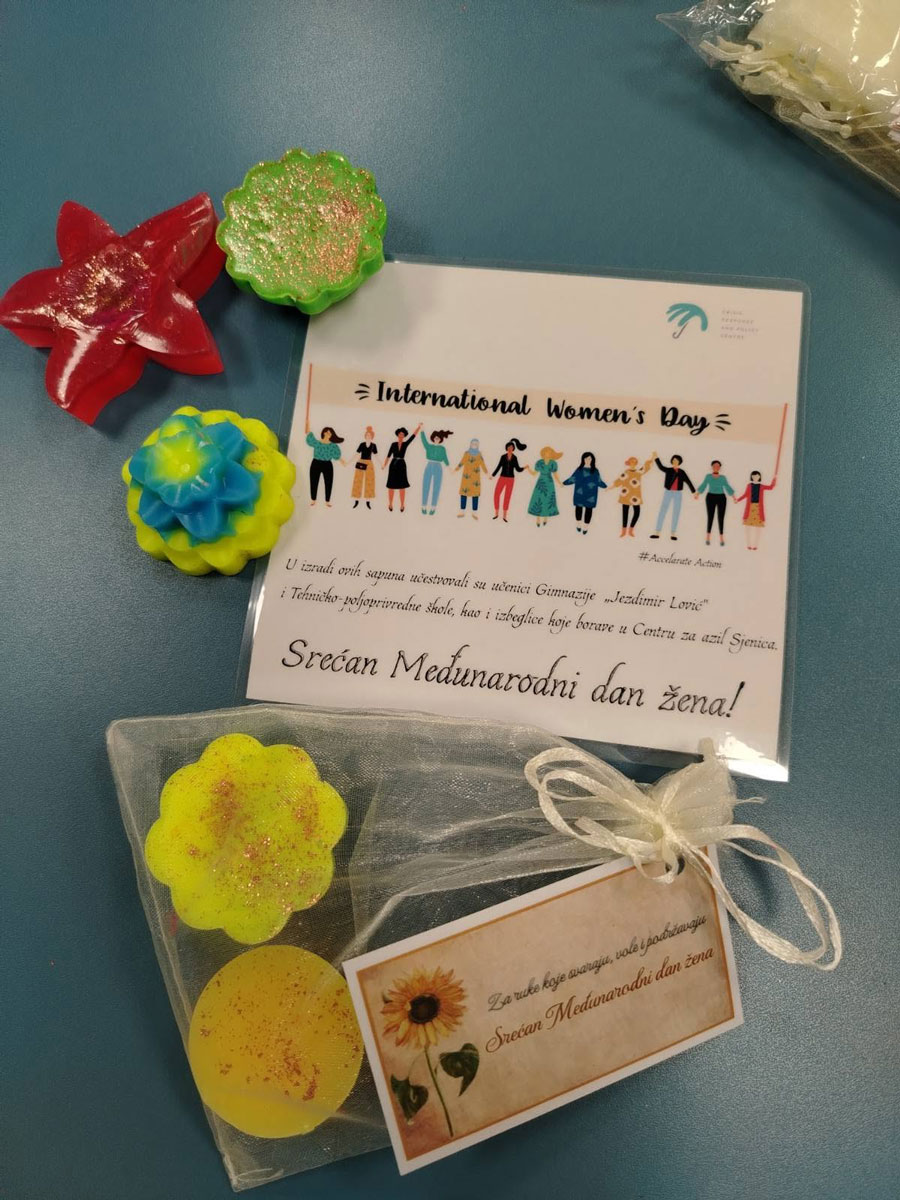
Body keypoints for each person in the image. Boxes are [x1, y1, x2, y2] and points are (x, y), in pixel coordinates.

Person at [650, 454, 695, 540]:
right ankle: (657, 532)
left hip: (678, 493)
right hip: (668, 492)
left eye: (677, 461)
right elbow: (661, 467)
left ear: (679, 462)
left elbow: (688, 481)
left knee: (676, 512)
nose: (675, 462)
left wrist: (694, 492)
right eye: (674, 460)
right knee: (663, 510)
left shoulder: (682, 472)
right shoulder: (669, 470)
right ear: (671, 461)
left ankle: (673, 533)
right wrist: (656, 458)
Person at [563, 451, 606, 534]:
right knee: (578, 509)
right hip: (579, 493)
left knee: (589, 510)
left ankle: (585, 527)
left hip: (591, 494)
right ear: (583, 459)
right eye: (586, 458)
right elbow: (573, 478)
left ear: (592, 460)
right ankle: (578, 525)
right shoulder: (579, 470)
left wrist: (605, 486)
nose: (587, 460)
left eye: (589, 459)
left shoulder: (595, 471)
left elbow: (599, 481)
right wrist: (564, 483)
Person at [612, 453, 655, 537]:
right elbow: (619, 481)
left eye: (634, 462)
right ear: (629, 463)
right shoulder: (626, 472)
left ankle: (631, 529)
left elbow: (646, 467)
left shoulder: (638, 472)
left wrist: (652, 458)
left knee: (637, 513)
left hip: (635, 496)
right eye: (631, 462)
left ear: (636, 463)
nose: (633, 464)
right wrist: (611, 487)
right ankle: (624, 531)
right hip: (626, 495)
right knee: (625, 514)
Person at [383, 423, 422, 512]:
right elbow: (388, 455)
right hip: (393, 465)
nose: (401, 436)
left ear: (404, 436)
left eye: (403, 434)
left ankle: (402, 504)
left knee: (402, 486)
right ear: (397, 435)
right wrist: (385, 465)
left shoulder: (405, 444)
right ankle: (390, 503)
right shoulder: (393, 444)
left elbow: (413, 436)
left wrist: (418, 427)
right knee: (391, 485)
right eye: (400, 434)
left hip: (401, 465)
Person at [734, 470, 776, 550]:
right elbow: (745, 495)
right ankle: (748, 544)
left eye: (757, 476)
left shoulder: (761, 486)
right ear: (752, 477)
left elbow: (770, 487)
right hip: (750, 508)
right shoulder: (749, 486)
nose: (755, 477)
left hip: (758, 509)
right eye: (754, 476)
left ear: (759, 477)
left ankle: (755, 545)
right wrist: (738, 500)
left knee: (758, 528)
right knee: (748, 527)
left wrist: (774, 479)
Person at [696, 460, 735, 546]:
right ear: (712, 467)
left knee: (721, 517)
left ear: (720, 468)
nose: (716, 467)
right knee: (710, 517)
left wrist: (733, 497)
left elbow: (727, 487)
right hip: (710, 497)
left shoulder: (723, 478)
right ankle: (708, 537)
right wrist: (698, 493)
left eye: (718, 466)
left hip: (721, 497)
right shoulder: (708, 476)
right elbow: (704, 485)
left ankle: (721, 537)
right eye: (714, 466)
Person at [304, 425, 345, 507]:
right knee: (314, 481)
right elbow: (308, 435)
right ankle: (313, 499)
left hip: (327, 464)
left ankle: (327, 501)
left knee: (328, 482)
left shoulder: (332, 445)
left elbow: (337, 456)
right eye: (327, 432)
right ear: (324, 433)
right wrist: (307, 424)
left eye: (330, 433)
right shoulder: (317, 443)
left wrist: (343, 461)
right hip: (316, 463)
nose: (328, 434)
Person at [491, 438, 527, 522]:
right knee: (496, 494)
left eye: (511, 447)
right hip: (502, 477)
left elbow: (517, 469)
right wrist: (493, 475)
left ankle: (504, 515)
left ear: (513, 448)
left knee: (507, 496)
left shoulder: (515, 458)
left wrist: (524, 468)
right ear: (506, 448)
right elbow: (499, 466)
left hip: (511, 479)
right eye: (509, 447)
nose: (510, 448)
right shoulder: (503, 457)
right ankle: (496, 513)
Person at [527, 446, 563, 527]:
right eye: (546, 452)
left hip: (549, 483)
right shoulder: (539, 462)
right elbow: (534, 473)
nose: (548, 454)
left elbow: (555, 474)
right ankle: (538, 518)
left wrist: (559, 482)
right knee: (538, 499)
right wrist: (528, 469)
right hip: (541, 483)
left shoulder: (553, 463)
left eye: (549, 452)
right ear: (543, 453)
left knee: (547, 499)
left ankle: (546, 518)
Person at [420, 429, 452, 514]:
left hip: (438, 467)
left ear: (440, 439)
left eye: (438, 438)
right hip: (429, 465)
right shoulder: (429, 447)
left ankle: (433, 507)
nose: (436, 439)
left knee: (436, 487)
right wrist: (422, 430)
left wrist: (449, 469)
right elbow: (424, 441)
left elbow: (445, 458)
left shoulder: (442, 449)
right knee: (426, 485)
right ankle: (424, 506)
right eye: (435, 438)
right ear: (433, 438)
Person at [454, 438, 489, 518]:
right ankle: (462, 511)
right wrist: (455, 469)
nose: (474, 445)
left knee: (475, 494)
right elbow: (462, 462)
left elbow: (483, 465)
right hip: (466, 477)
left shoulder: (479, 454)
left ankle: (474, 513)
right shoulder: (466, 453)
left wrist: (487, 474)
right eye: (473, 444)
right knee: (463, 493)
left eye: (476, 444)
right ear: (470, 444)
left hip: (475, 478)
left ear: (478, 445)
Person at [351, 426, 378, 509]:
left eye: (370, 435)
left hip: (369, 464)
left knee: (370, 482)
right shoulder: (362, 444)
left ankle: (368, 501)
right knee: (358, 481)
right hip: (361, 462)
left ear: (372, 436)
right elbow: (357, 454)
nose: (368, 436)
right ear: (365, 435)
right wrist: (349, 462)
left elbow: (376, 455)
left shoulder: (373, 445)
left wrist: (382, 464)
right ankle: (356, 500)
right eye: (367, 435)